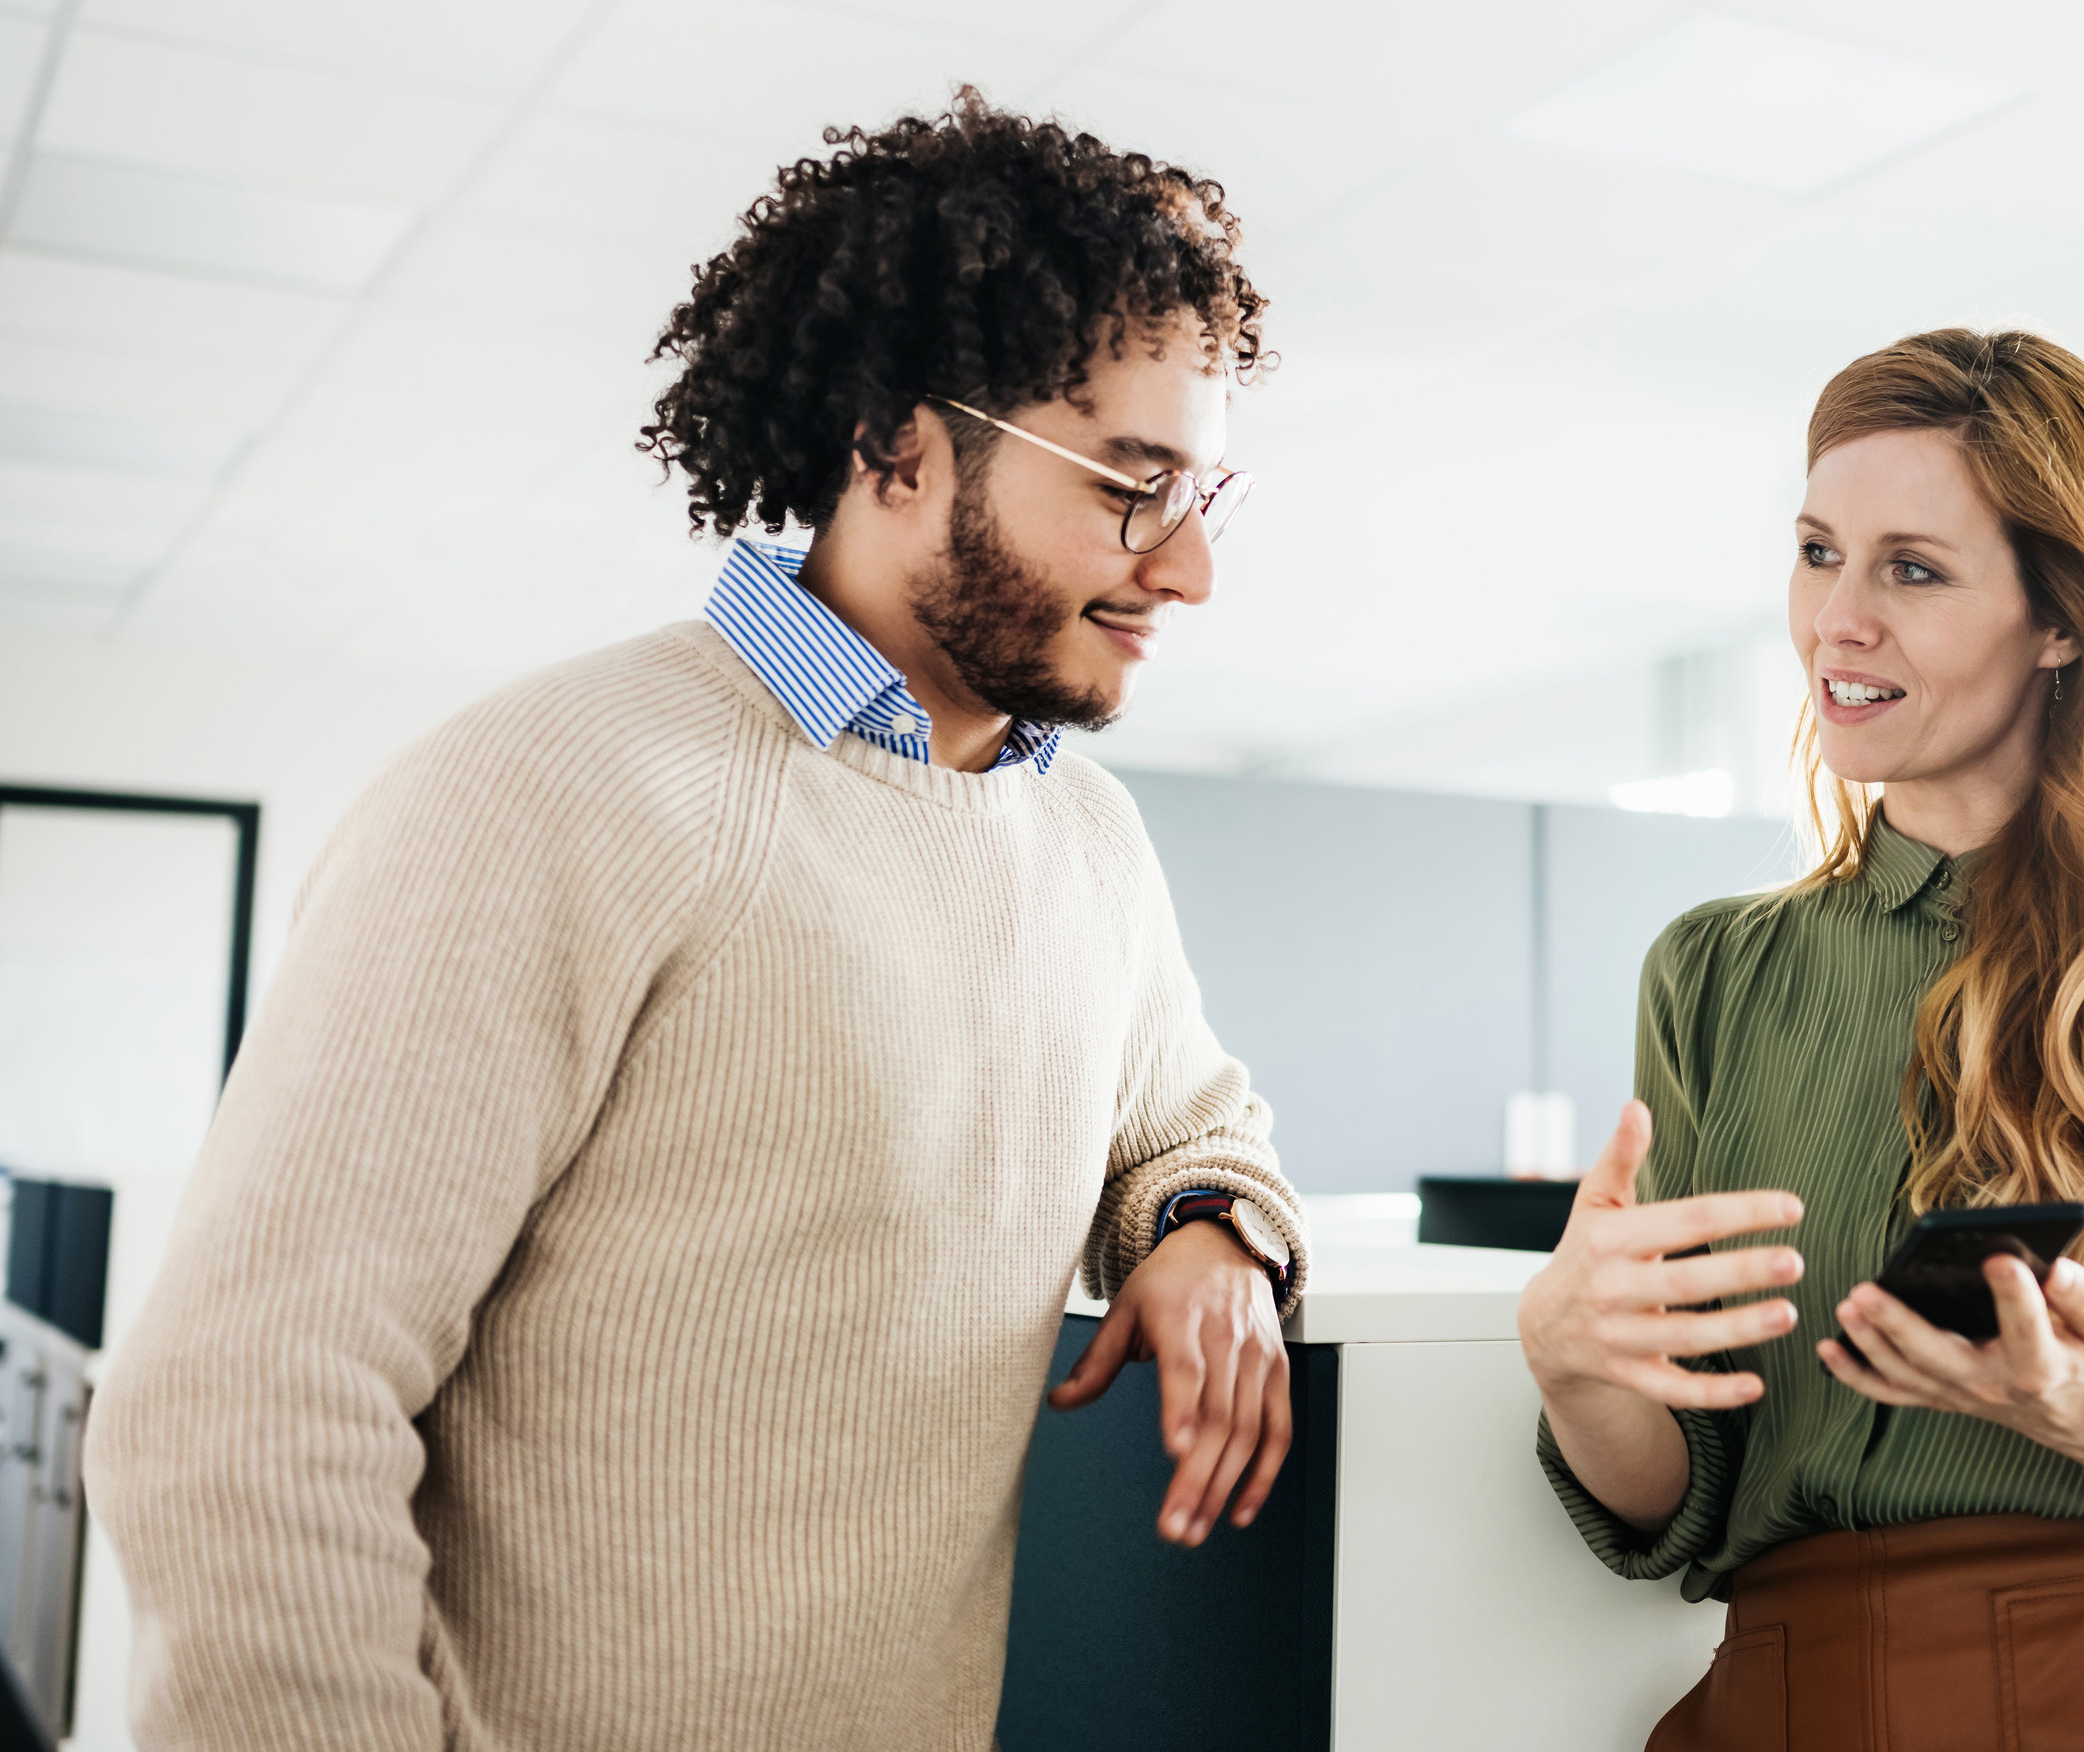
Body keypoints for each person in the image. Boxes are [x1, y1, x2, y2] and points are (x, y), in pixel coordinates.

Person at [86, 93, 1309, 1752]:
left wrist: (1209, 1230)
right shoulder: (544, 791)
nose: (1188, 572)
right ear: (897, 442)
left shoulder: (1087, 841)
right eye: (1129, 484)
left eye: (1205, 499)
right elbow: (237, 1412)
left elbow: (1190, 1116)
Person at [1517, 329, 2084, 1750]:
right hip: (1787, 1693)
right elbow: (1680, 1493)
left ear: (2061, 619)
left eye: (1914, 568)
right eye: (1819, 551)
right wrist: (1580, 1366)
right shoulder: (1712, 971)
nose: (1839, 618)